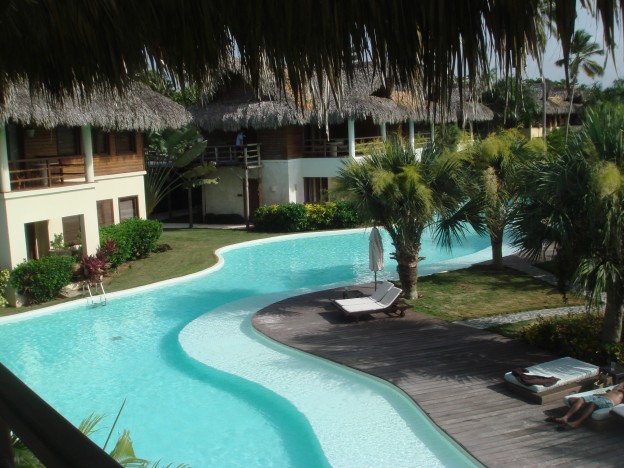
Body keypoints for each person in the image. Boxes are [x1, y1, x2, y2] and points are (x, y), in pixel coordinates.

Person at [548, 383, 624, 430]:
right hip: (600, 397)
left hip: (608, 401)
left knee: (593, 404)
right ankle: (565, 417)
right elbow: (620, 384)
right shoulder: (618, 388)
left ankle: (577, 422)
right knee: (580, 399)